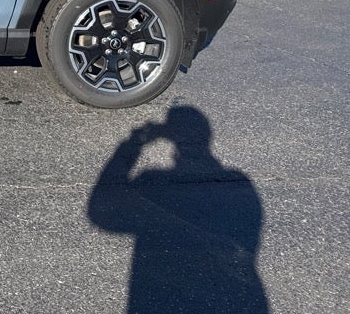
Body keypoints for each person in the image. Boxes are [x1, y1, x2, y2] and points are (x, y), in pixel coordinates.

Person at [88, 106, 270, 313]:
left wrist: (133, 144)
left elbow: (100, 212)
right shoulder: (238, 182)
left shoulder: (152, 180)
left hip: (160, 296)